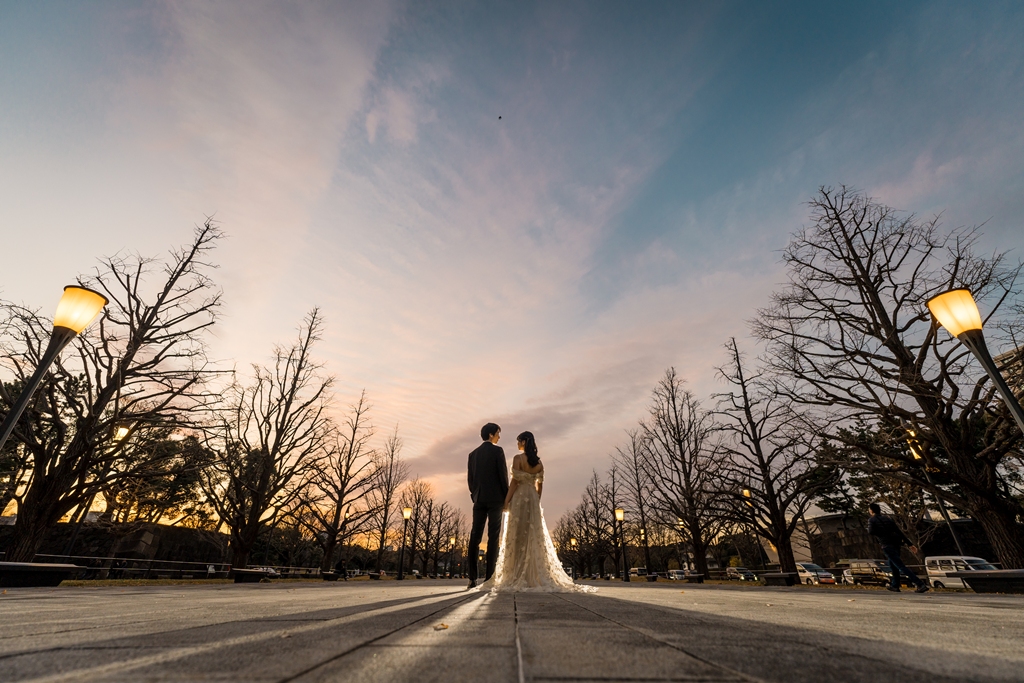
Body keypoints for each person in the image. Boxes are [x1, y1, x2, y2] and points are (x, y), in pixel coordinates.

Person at [480, 431, 593, 593]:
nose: (517, 444)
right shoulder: (539, 462)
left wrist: (506, 501)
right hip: (532, 499)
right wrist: (536, 500)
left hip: (519, 498)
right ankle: (533, 574)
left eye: (519, 441)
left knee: (517, 534)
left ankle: (515, 572)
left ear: (524, 442)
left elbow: (514, 482)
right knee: (533, 534)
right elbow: (540, 486)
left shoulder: (517, 459)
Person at [467, 422, 509, 588]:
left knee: (474, 537)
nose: (499, 436)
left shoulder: (473, 454)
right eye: (498, 433)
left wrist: (474, 494)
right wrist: (506, 499)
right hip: (496, 500)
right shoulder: (498, 451)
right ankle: (489, 577)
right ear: (491, 434)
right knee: (493, 537)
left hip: (479, 499)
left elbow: (470, 479)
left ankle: (472, 578)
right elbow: (503, 476)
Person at [867, 503, 929, 593]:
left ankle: (920, 584)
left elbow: (871, 531)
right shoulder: (888, 519)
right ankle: (895, 585)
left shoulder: (872, 520)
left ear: (871, 510)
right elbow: (899, 532)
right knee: (893, 565)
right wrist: (910, 544)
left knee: (900, 566)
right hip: (896, 544)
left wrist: (881, 534)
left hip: (886, 545)